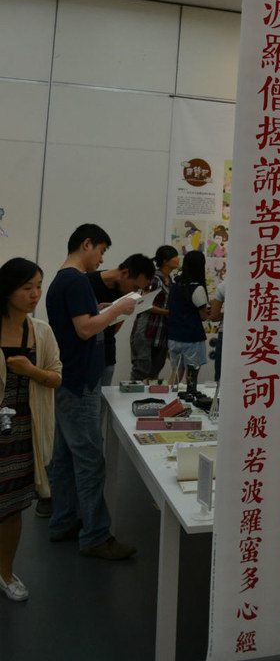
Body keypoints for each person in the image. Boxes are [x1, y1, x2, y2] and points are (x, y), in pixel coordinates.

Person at [45, 223, 137, 560]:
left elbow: (82, 322)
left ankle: (64, 521)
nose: (101, 260)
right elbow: (84, 329)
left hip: (71, 377)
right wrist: (116, 310)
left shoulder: (65, 280)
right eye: (101, 251)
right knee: (89, 458)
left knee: (66, 456)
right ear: (87, 244)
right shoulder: (75, 280)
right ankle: (95, 535)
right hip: (80, 379)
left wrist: (104, 311)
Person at [0, 258, 62, 601]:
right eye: (27, 287)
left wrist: (30, 370)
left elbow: (56, 377)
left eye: (38, 286)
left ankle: (5, 572)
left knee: (11, 508)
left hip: (22, 431)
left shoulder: (41, 332)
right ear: (8, 290)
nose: (35, 294)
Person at [87, 253, 154, 386]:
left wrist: (122, 312)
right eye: (135, 287)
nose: (134, 292)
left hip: (107, 357)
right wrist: (113, 311)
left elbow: (113, 329)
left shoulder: (124, 291)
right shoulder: (87, 283)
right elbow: (83, 327)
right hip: (85, 359)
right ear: (124, 273)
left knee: (104, 398)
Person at [130, 245, 179, 382]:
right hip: (146, 330)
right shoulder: (155, 279)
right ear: (165, 261)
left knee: (155, 370)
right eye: (174, 256)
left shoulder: (171, 282)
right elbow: (142, 303)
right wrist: (165, 312)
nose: (177, 259)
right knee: (141, 369)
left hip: (161, 333)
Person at [167, 250, 210, 393]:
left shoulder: (175, 285)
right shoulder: (197, 288)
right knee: (191, 376)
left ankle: (169, 399)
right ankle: (190, 399)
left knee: (175, 374)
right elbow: (203, 316)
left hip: (174, 337)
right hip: (192, 338)